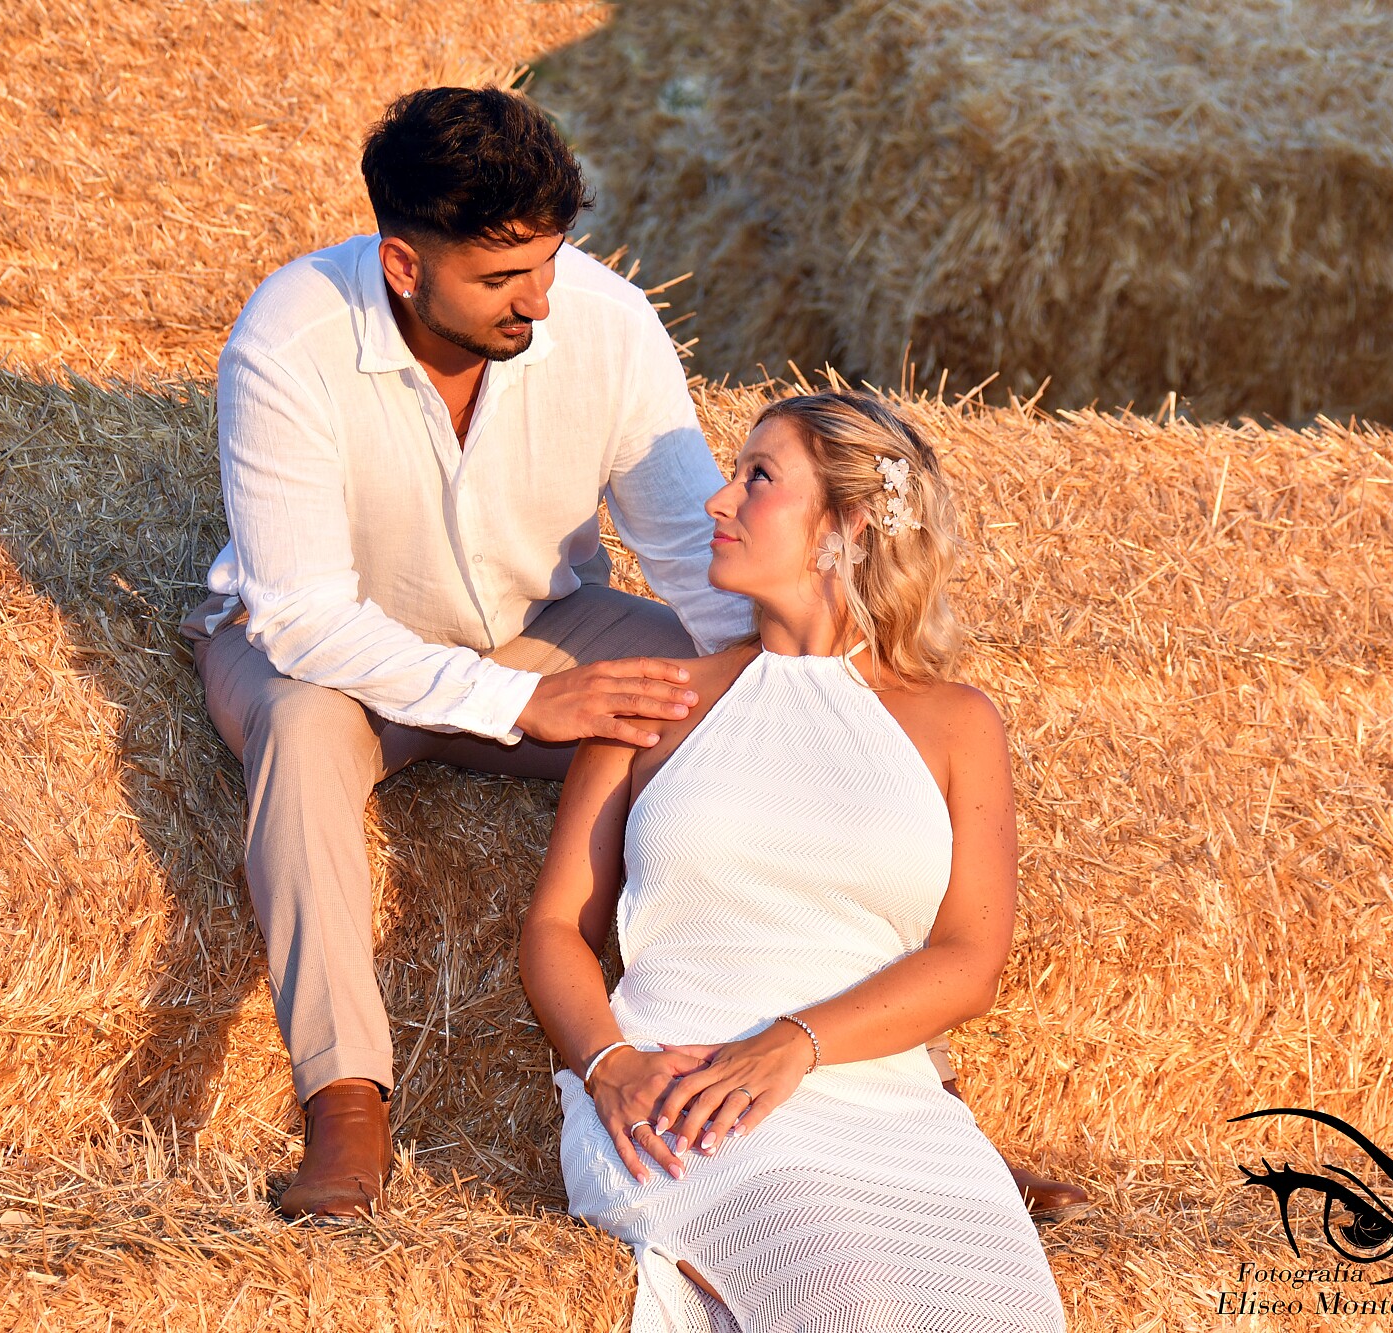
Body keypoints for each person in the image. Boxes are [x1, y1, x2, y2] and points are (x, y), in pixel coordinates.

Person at [183, 85, 1083, 1226]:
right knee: (303, 735)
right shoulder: (289, 335)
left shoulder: (601, 321)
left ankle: (913, 1110)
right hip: (328, 654)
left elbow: (684, 546)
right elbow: (305, 614)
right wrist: (522, 703)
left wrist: (782, 703)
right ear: (405, 266)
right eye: (505, 279)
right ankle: (346, 1111)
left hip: (552, 619)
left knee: (755, 694)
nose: (541, 299)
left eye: (550, 262)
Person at [520, 391, 1067, 1329]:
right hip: (684, 1098)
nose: (716, 501)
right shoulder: (655, 700)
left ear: (844, 528)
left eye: (756, 478)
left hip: (891, 1109)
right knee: (845, 1298)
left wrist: (793, 1043)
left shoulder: (955, 722)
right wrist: (608, 1065)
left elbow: (967, 958)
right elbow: (553, 926)